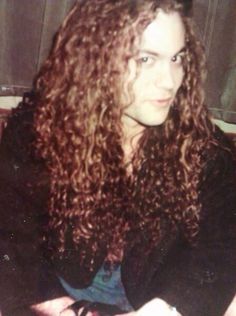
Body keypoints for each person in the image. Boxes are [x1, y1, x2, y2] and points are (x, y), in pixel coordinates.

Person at [0, 0, 235, 315]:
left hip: (153, 304)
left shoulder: (203, 147)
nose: (169, 81)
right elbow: (11, 235)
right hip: (53, 297)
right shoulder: (38, 127)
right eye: (145, 58)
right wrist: (70, 311)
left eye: (177, 58)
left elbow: (222, 248)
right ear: (96, 58)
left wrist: (164, 309)